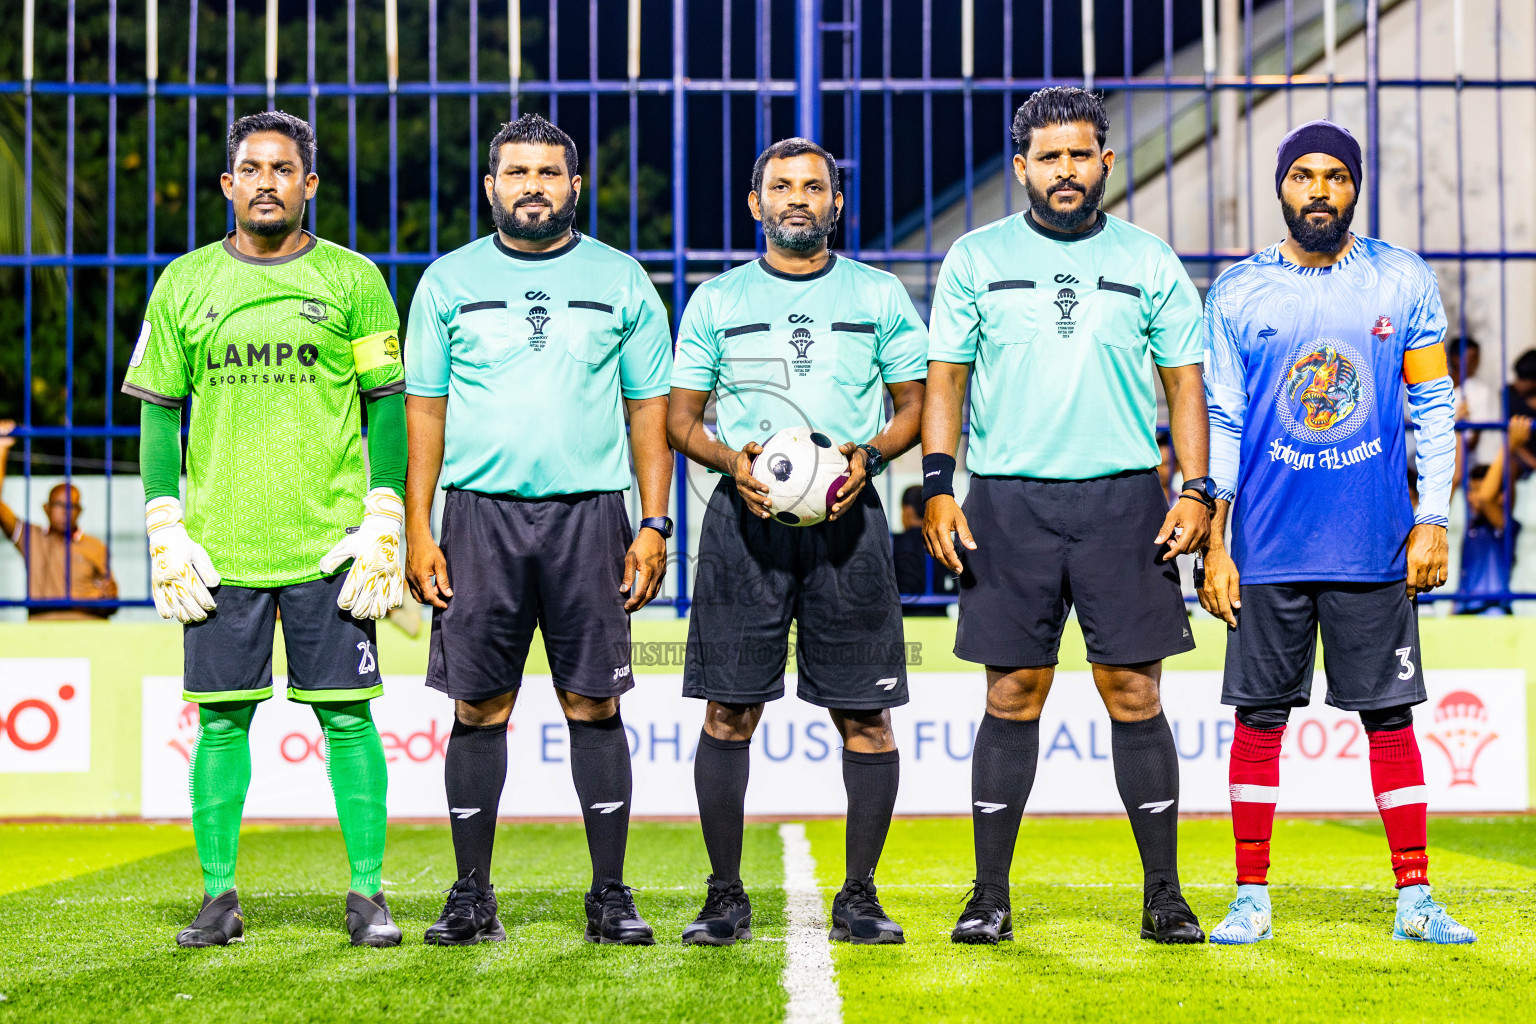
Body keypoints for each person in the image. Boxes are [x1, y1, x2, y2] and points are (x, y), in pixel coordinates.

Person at [923, 86, 1213, 946]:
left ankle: (1163, 893)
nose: (1065, 170)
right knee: (1012, 692)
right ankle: (989, 895)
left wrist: (1195, 489)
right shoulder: (974, 258)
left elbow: (1184, 385)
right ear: (1021, 169)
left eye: (1080, 154)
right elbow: (946, 379)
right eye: (1048, 157)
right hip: (1007, 502)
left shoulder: (1150, 259)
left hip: (1125, 500)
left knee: (1134, 691)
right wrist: (940, 483)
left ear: (1105, 163)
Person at [121, 110, 407, 948]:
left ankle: (367, 895)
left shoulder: (355, 280)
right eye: (252, 169)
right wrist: (164, 518)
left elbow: (386, 404)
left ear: (309, 184)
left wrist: (384, 511)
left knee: (349, 717)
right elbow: (158, 412)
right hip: (223, 548)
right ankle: (218, 897)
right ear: (229, 184)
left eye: (285, 169)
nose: (268, 182)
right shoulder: (183, 284)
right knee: (218, 721)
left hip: (330, 544)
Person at [1201, 119, 1475, 945]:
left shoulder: (1401, 280)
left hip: (1375, 544)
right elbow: (1223, 422)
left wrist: (1432, 518)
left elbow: (1433, 407)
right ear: (1280, 186)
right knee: (1258, 721)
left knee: (1390, 720)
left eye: (1335, 176)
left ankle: (1415, 901)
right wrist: (1216, 542)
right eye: (1302, 176)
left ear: (1355, 187)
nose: (1319, 190)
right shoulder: (1238, 292)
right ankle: (1251, 898)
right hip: (1268, 548)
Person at [404, 113, 673, 947]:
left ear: (575, 186)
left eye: (549, 173)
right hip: (478, 517)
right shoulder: (446, 282)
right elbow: (425, 411)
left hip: (591, 517)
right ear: (490, 188)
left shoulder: (621, 279)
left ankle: (610, 895)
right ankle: (471, 895)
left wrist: (654, 522)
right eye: (516, 173)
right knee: (478, 707)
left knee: (593, 702)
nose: (532, 186)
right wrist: (419, 527)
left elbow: (649, 413)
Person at [668, 137, 927, 946]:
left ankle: (859, 897)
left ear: (836, 204)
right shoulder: (716, 299)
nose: (798, 199)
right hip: (744, 525)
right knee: (728, 712)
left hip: (849, 528)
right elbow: (681, 419)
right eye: (781, 187)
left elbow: (916, 406)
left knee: (868, 719)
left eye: (814, 187)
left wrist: (869, 455)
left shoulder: (880, 294)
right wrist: (731, 460)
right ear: (756, 205)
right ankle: (723, 897)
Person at [0, 421, 118, 620]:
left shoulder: (96, 547)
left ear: (79, 511)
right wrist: (2, 449)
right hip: (42, 634)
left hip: (89, 635)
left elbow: (111, 603)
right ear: (46, 508)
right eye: (59, 505)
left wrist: (108, 597)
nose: (65, 512)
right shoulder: (30, 537)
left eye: (71, 506)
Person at [892, 484, 952, 615]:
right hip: (939, 618)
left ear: (908, 510)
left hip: (904, 619)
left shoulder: (893, 543)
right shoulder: (944, 543)